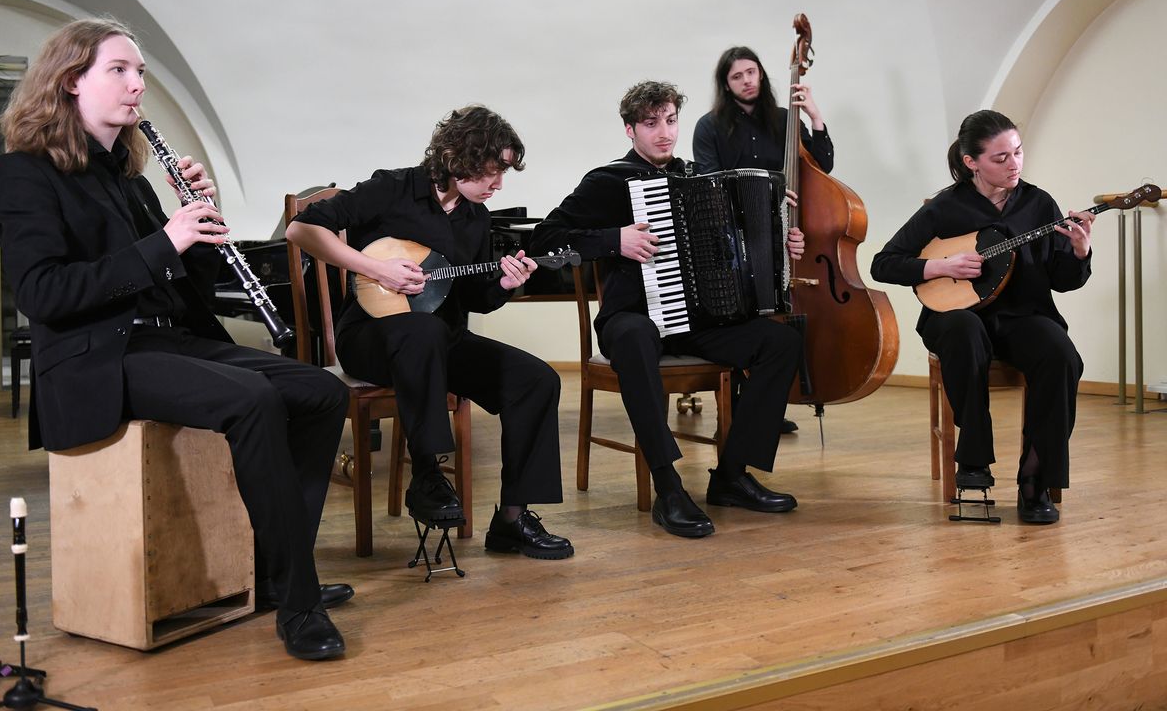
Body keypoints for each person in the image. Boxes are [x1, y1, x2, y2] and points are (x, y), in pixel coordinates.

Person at [0, 18, 352, 659]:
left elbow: (183, 287)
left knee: (321, 391)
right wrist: (166, 241)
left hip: (166, 340)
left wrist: (201, 232)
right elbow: (44, 295)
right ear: (71, 81)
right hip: (96, 357)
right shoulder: (23, 174)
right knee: (252, 399)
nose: (137, 85)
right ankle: (298, 603)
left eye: (140, 72)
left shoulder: (129, 180)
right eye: (119, 70)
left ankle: (276, 571)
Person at [285, 105, 573, 560]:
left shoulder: (476, 218)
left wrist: (504, 283)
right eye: (492, 170)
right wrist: (375, 267)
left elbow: (472, 297)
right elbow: (300, 229)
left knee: (536, 380)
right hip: (371, 338)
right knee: (421, 331)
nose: (499, 184)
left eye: (503, 173)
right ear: (456, 156)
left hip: (441, 339)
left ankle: (512, 520)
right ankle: (428, 474)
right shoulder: (392, 188)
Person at [529, 81, 805, 538]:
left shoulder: (699, 178)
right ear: (630, 129)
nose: (664, 132)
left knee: (781, 342)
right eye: (651, 123)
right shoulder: (607, 182)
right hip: (632, 316)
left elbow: (739, 245)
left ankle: (732, 475)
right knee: (636, 337)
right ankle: (669, 487)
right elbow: (544, 238)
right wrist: (614, 240)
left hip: (695, 320)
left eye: (671, 120)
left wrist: (781, 243)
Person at [870, 110, 1092, 524]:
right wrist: (940, 267)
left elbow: (1064, 281)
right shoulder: (945, 207)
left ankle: (1035, 479)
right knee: (964, 330)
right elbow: (883, 264)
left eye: (1018, 152)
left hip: (1022, 315)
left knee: (1062, 356)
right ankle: (973, 460)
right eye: (1000, 157)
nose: (1014, 164)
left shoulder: (1039, 204)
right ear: (971, 161)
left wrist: (1080, 252)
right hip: (954, 316)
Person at [692, 45, 835, 434]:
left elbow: (821, 166)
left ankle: (765, 408)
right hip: (732, 239)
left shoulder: (786, 120)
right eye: (737, 76)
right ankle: (738, 413)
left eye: (751, 72)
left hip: (784, 233)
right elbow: (707, 184)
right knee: (742, 321)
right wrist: (766, 195)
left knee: (777, 317)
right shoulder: (709, 126)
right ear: (726, 84)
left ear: (761, 74)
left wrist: (815, 116)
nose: (747, 81)